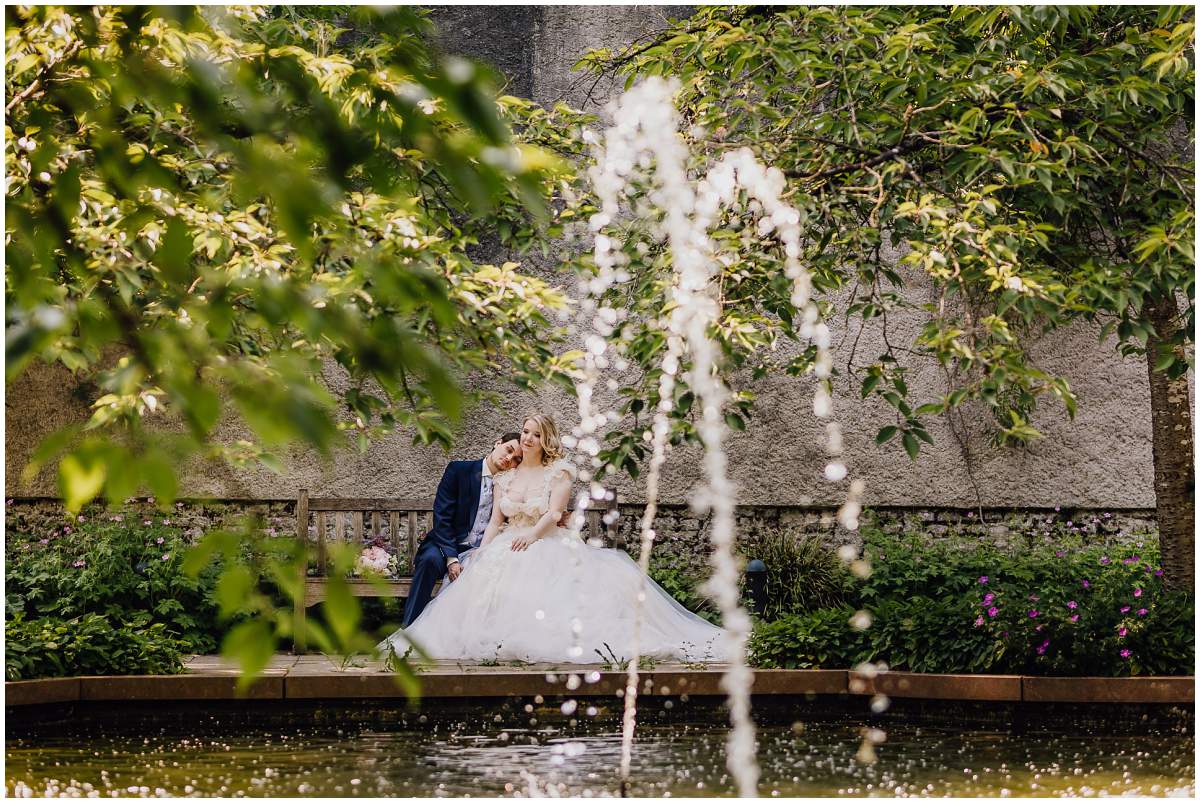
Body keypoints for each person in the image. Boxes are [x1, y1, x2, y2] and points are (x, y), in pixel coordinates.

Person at [381, 413, 730, 664]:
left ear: (544, 438)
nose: (527, 439)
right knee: (485, 579)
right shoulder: (509, 475)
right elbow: (495, 521)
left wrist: (531, 537)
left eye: (534, 434)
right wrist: (480, 555)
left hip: (545, 541)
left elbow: (552, 513)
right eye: (524, 432)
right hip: (508, 541)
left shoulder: (558, 472)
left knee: (542, 582)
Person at [400, 431, 522, 627]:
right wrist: (451, 558)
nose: (509, 459)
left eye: (516, 459)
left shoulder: (512, 485)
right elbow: (443, 517)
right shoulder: (459, 470)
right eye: (508, 450)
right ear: (497, 442)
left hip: (484, 547)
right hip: (448, 545)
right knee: (430, 561)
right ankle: (408, 629)